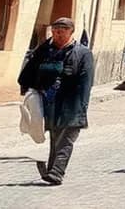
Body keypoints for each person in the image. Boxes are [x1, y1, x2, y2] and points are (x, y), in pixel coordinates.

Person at [17, 17, 94, 185]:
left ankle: (57, 172)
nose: (58, 34)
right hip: (50, 105)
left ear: (71, 32)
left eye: (62, 31)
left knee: (66, 140)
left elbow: (86, 83)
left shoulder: (83, 54)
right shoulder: (45, 51)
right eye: (55, 31)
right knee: (55, 139)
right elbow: (30, 70)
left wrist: (82, 108)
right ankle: (53, 172)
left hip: (72, 105)